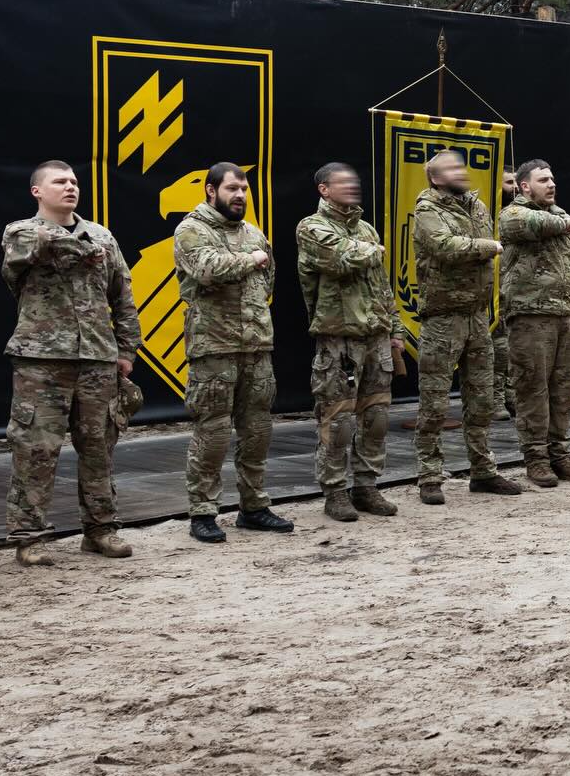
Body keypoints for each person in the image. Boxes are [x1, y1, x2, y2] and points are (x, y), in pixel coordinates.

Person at [1, 159, 141, 565]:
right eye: (59, 181)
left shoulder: (103, 236)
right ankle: (29, 538)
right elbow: (35, 247)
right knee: (35, 449)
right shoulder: (20, 233)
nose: (70, 187)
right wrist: (82, 246)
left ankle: (101, 530)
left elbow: (122, 296)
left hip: (98, 358)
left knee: (100, 448)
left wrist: (127, 350)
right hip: (42, 361)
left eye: (75, 181)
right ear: (37, 192)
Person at [174, 162, 295, 543]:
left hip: (256, 346)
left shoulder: (255, 234)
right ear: (211, 191)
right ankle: (203, 512)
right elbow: (206, 269)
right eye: (232, 189)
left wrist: (254, 261)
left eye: (244, 189)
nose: (240, 195)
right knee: (212, 433)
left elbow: (268, 282)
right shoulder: (191, 229)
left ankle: (254, 507)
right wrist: (250, 261)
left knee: (257, 431)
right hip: (214, 347)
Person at [296, 162, 406, 522]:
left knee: (376, 417)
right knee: (338, 421)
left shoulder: (367, 229)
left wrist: (395, 330)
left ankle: (366, 486)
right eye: (342, 182)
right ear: (323, 190)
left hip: (375, 336)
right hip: (338, 339)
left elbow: (382, 286)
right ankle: (335, 492)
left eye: (353, 181)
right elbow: (343, 259)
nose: (351, 187)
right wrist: (374, 250)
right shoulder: (311, 228)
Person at [413, 149, 521, 502]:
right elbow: (445, 246)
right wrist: (487, 246)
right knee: (435, 403)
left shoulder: (476, 205)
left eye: (460, 166)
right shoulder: (428, 209)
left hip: (477, 317)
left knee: (481, 399)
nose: (460, 172)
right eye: (450, 168)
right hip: (443, 318)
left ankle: (483, 471)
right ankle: (429, 476)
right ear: (434, 177)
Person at [498, 158, 570, 488]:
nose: (552, 184)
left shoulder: (566, 219)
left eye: (553, 178)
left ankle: (560, 454)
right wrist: (563, 222)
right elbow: (528, 225)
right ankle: (536, 459)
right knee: (532, 390)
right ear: (525, 186)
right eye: (543, 180)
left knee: (563, 390)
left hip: (566, 317)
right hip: (530, 317)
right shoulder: (513, 214)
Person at [491, 167, 518, 419]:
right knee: (498, 349)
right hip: (493, 292)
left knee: (514, 349)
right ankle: (496, 399)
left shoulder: (521, 215)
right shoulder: (487, 215)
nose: (515, 187)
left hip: (516, 291)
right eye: (509, 182)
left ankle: (512, 396)